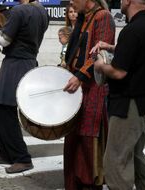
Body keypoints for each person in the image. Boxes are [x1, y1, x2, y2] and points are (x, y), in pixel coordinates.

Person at [91, 0, 145, 189]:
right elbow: (134, 53)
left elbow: (118, 72)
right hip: (142, 103)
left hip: (128, 105)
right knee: (136, 156)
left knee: (116, 160)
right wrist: (111, 46)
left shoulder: (131, 31)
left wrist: (99, 66)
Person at [0, 0, 49, 174]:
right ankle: (5, 152)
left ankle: (22, 158)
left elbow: (4, 40)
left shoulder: (19, 11)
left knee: (7, 111)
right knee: (1, 107)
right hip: (27, 62)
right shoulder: (42, 11)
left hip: (15, 64)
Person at [62, 0, 115, 189]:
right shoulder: (84, 18)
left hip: (93, 88)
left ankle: (90, 183)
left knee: (88, 139)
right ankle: (74, 182)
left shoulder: (103, 17)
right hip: (78, 86)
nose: (71, 2)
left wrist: (79, 77)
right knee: (73, 138)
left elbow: (97, 55)